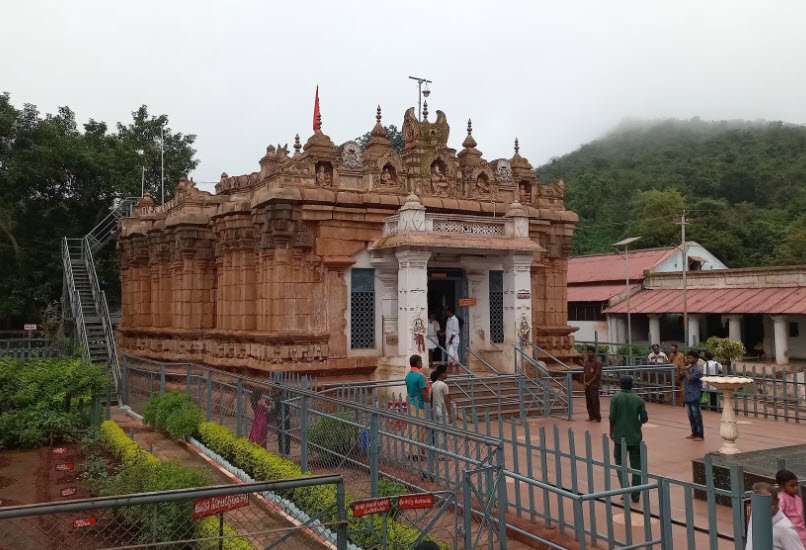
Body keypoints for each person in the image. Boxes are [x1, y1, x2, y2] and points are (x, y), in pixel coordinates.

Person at [609, 375, 648, 504]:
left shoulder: (616, 398)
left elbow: (612, 417)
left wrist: (611, 430)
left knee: (620, 463)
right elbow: (644, 418)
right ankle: (636, 495)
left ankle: (625, 490)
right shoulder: (638, 399)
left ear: (620, 385)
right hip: (635, 436)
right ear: (632, 385)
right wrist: (638, 423)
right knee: (637, 466)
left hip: (620, 436)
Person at [746, 482, 805, 550]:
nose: (769, 508)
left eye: (770, 504)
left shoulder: (786, 529)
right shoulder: (755, 514)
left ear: (777, 501)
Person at [405, 354, 430, 459]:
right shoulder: (420, 376)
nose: (422, 363)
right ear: (417, 363)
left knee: (412, 428)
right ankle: (416, 453)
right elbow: (423, 392)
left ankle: (414, 451)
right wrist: (429, 403)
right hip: (419, 405)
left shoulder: (408, 375)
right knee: (419, 429)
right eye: (421, 361)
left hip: (411, 404)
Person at [776, 470, 806, 546]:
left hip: (802, 535)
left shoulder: (798, 499)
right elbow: (779, 518)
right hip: (791, 537)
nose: (796, 488)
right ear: (782, 487)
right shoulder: (781, 500)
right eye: (792, 486)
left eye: (796, 485)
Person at [680, 350, 704, 440]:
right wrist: (680, 368)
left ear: (696, 359)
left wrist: (685, 369)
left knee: (697, 416)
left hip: (694, 395)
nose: (688, 359)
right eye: (688, 357)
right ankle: (694, 433)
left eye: (690, 358)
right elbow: (680, 377)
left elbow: (690, 378)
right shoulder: (688, 368)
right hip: (687, 395)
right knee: (691, 416)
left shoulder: (698, 370)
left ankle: (700, 435)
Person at [582, 345, 603, 422]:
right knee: (589, 402)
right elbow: (584, 372)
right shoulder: (586, 362)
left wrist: (589, 383)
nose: (588, 353)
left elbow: (597, 375)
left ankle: (597, 418)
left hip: (594, 386)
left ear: (594, 353)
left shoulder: (598, 363)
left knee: (595, 402)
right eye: (588, 352)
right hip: (587, 385)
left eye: (590, 352)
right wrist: (584, 382)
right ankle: (591, 416)